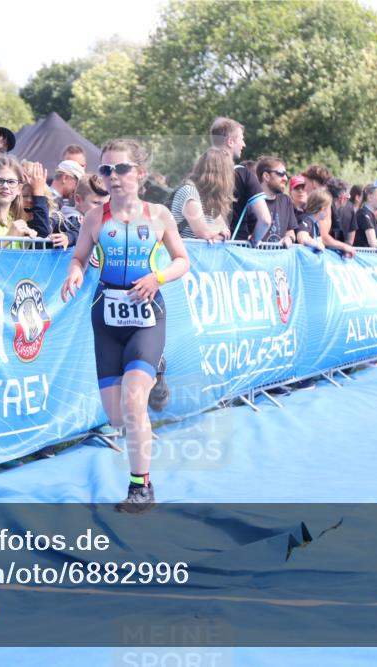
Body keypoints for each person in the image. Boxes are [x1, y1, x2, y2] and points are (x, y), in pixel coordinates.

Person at [60, 138, 190, 513]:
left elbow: (182, 260)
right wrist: (74, 272)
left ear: (140, 174)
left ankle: (140, 487)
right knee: (118, 417)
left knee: (134, 402)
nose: (113, 177)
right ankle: (155, 374)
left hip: (147, 316)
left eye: (122, 169)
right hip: (107, 317)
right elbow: (80, 257)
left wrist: (158, 278)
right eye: (106, 170)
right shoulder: (93, 218)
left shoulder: (160, 215)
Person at [209, 117, 271, 243]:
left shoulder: (200, 174)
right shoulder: (244, 174)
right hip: (235, 250)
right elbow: (265, 220)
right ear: (231, 142)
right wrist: (254, 240)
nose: (244, 144)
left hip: (204, 249)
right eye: (241, 139)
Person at [170, 147, 234, 242]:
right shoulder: (189, 192)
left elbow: (226, 232)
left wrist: (216, 235)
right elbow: (203, 232)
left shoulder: (209, 197)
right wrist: (216, 231)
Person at [0, 156, 37, 248]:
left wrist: (26, 244)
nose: (5, 186)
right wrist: (10, 237)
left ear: (19, 189)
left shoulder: (17, 219)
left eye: (11, 182)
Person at [255, 156, 304, 248]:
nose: (285, 178)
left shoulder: (286, 200)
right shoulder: (251, 201)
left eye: (286, 174)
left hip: (279, 259)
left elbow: (290, 231)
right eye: (281, 174)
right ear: (266, 176)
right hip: (257, 259)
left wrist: (289, 238)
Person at [54, 173, 109, 248]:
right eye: (96, 203)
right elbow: (82, 231)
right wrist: (68, 237)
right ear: (78, 199)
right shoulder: (73, 219)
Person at [288, 175, 325, 251]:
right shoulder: (285, 209)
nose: (300, 191)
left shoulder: (314, 213)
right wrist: (317, 245)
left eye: (303, 188)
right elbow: (302, 237)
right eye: (296, 188)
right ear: (290, 192)